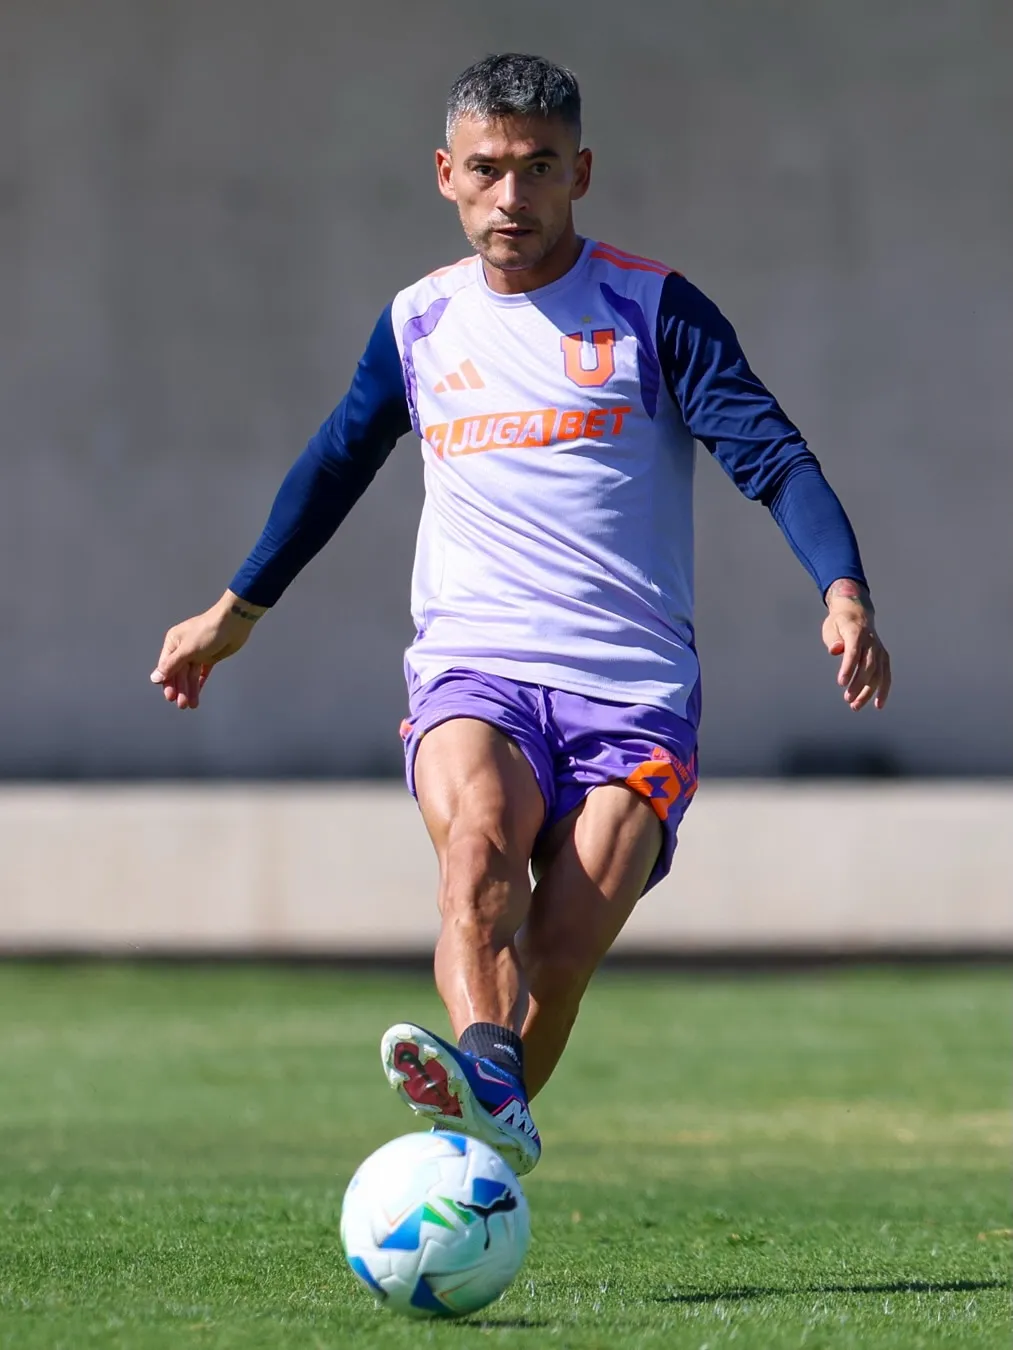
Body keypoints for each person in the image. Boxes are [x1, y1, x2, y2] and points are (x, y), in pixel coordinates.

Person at [151, 54, 891, 1176]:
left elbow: (774, 458)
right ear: (445, 175)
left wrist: (840, 589)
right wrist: (233, 610)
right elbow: (333, 466)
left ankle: (472, 1150)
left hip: (633, 690)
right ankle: (487, 1074)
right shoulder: (418, 323)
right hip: (475, 665)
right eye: (488, 169)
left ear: (578, 173)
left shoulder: (654, 310)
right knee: (478, 860)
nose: (512, 196)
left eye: (538, 168)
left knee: (561, 944)